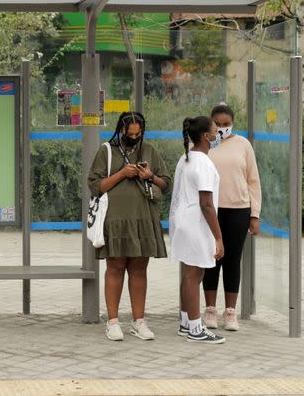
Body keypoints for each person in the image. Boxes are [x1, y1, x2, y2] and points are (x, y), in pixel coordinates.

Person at [88, 112, 171, 341]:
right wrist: (123, 173)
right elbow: (96, 186)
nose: (134, 137)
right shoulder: (106, 151)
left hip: (143, 218)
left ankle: (139, 321)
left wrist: (150, 175)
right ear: (121, 130)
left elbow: (165, 184)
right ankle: (113, 321)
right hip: (115, 220)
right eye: (130, 133)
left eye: (138, 133)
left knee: (139, 268)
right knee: (115, 267)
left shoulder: (150, 150)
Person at [203, 104, 261, 331]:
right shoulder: (203, 144)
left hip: (238, 210)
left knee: (232, 260)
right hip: (211, 210)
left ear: (232, 124)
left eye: (226, 124)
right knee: (212, 259)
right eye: (218, 124)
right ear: (211, 123)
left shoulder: (243, 145)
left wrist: (254, 215)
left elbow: (253, 181)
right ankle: (209, 310)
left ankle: (230, 312)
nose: (222, 128)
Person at [169, 116, 225, 344]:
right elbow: (206, 203)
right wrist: (218, 238)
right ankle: (195, 328)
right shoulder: (202, 162)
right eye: (215, 130)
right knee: (195, 275)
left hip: (184, 222)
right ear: (206, 136)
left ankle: (186, 322)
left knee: (189, 274)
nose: (218, 134)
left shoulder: (186, 158)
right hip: (196, 224)